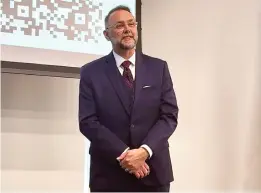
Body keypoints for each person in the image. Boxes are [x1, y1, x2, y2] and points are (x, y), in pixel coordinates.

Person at [78, 5, 179, 192]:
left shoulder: (159, 68)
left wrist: (144, 152)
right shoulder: (91, 72)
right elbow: (88, 122)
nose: (127, 29)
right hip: (109, 175)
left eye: (131, 24)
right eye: (119, 25)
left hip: (153, 171)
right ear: (106, 35)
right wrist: (125, 155)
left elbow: (169, 116)